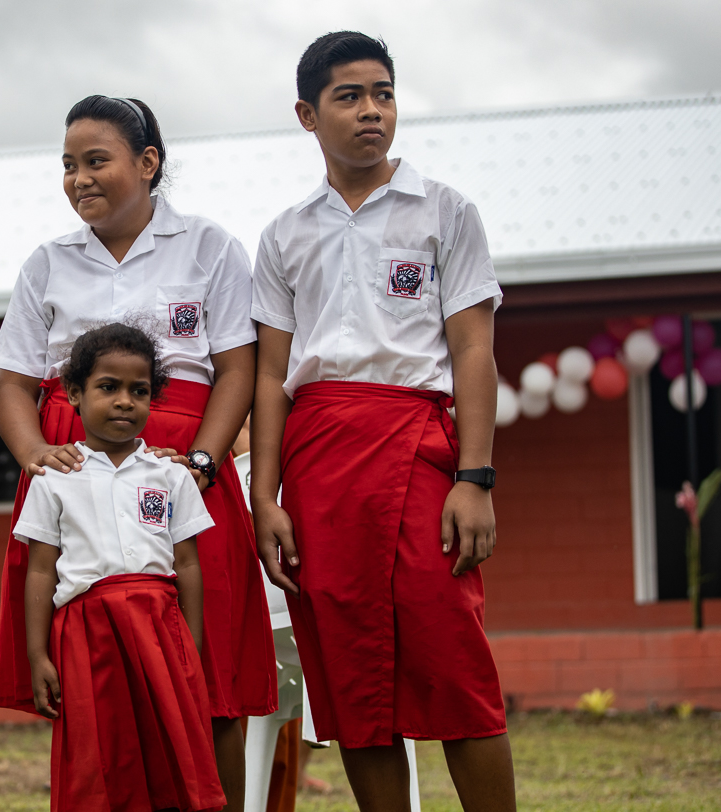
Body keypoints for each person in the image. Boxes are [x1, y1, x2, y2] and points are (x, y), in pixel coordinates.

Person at [248, 32, 517, 812]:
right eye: (349, 96)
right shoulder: (284, 234)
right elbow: (270, 376)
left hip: (420, 449)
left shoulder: (445, 210)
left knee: (455, 662)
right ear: (307, 114)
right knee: (350, 682)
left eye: (384, 94)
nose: (372, 112)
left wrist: (475, 476)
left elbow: (473, 348)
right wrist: (265, 499)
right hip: (320, 463)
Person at [0, 95, 277, 809]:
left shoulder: (210, 246)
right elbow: (12, 386)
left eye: (97, 161)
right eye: (68, 165)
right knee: (91, 678)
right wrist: (34, 456)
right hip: (72, 472)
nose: (80, 179)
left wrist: (206, 463)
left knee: (212, 681)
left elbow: (238, 369)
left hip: (187, 473)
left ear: (148, 163)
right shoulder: (47, 263)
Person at [17, 322, 226, 812]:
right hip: (87, 633)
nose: (124, 401)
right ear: (73, 393)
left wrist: (190, 644)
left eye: (140, 390)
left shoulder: (171, 474)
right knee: (100, 755)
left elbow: (188, 563)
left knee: (169, 751)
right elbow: (41, 571)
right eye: (108, 387)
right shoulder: (54, 477)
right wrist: (37, 654)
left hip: (159, 629)